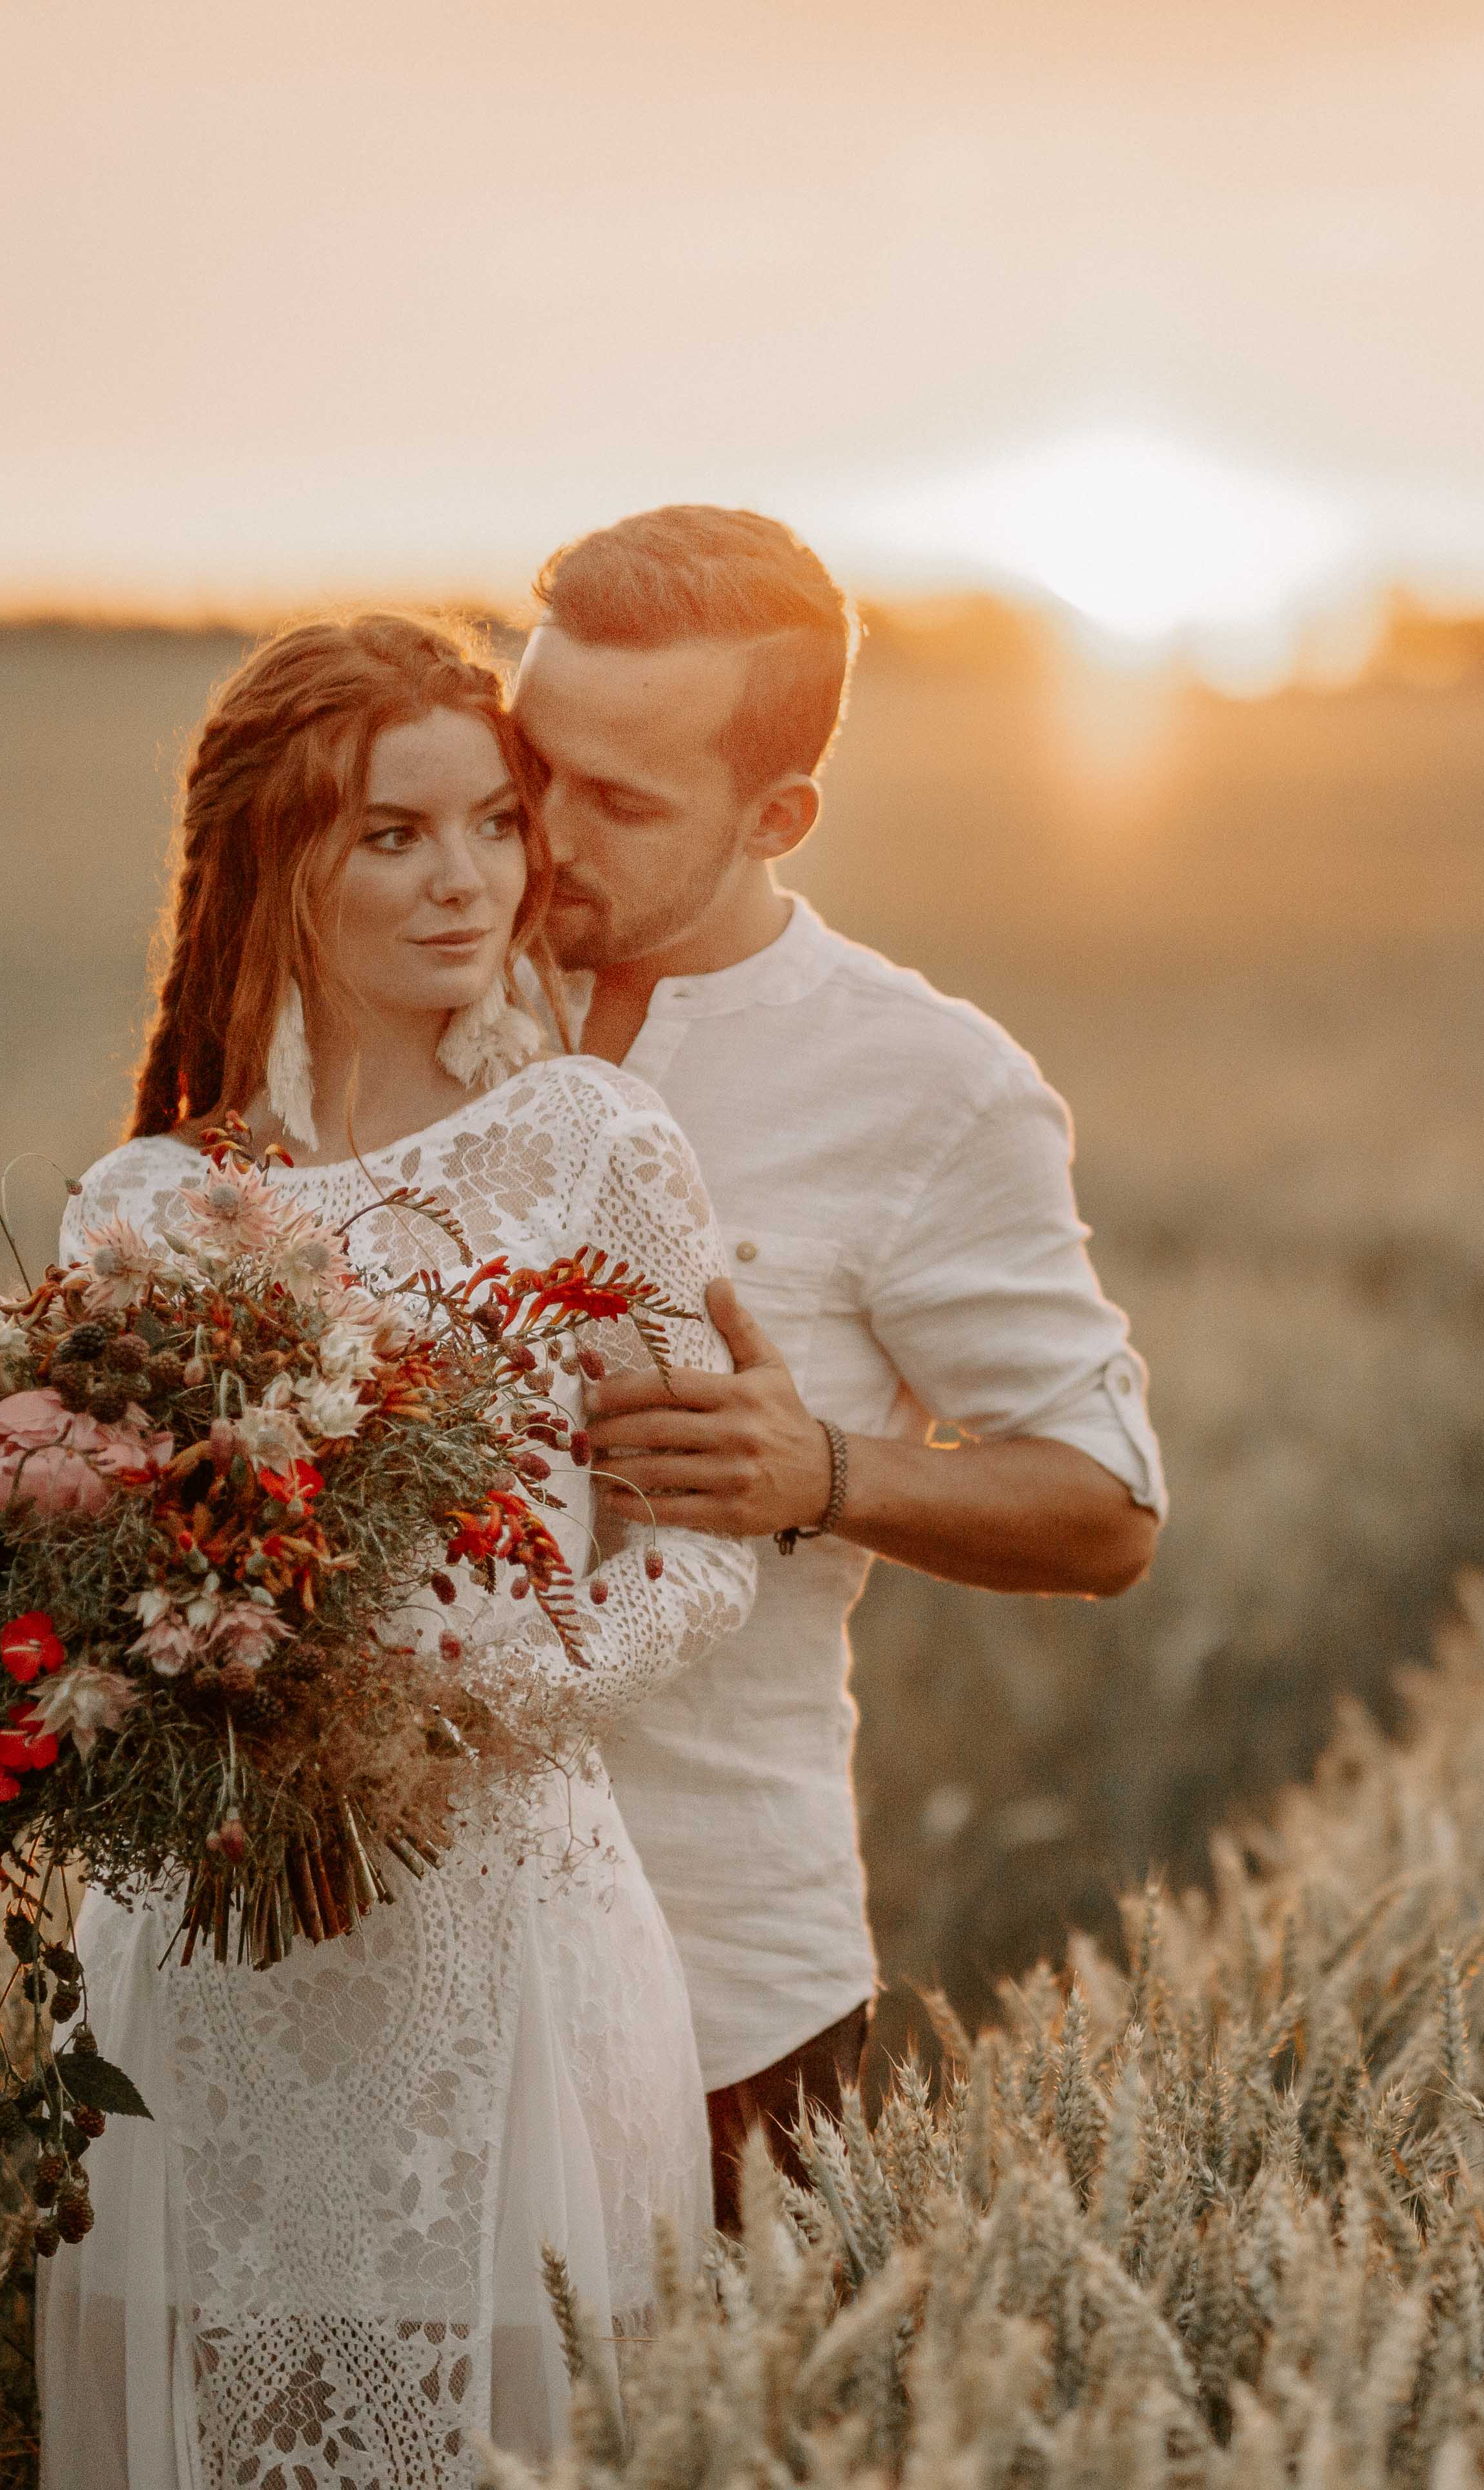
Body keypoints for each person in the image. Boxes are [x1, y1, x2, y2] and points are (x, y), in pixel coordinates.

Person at [36, 615, 755, 2490]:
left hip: (505, 1923)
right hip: (215, 1953)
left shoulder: (594, 1144)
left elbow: (703, 1545)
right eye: (393, 834)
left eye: (495, 825)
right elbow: (84, 1581)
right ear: (274, 865)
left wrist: (501, 1688)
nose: (468, 880)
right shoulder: (149, 1206)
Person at [518, 508, 1168, 2228]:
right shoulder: (405, 992)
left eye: (626, 802)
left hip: (719, 1978)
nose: (544, 838)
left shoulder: (927, 1086)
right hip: (367, 1969)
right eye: (536, 767)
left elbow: (1107, 1508)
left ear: (779, 816)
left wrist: (828, 1480)